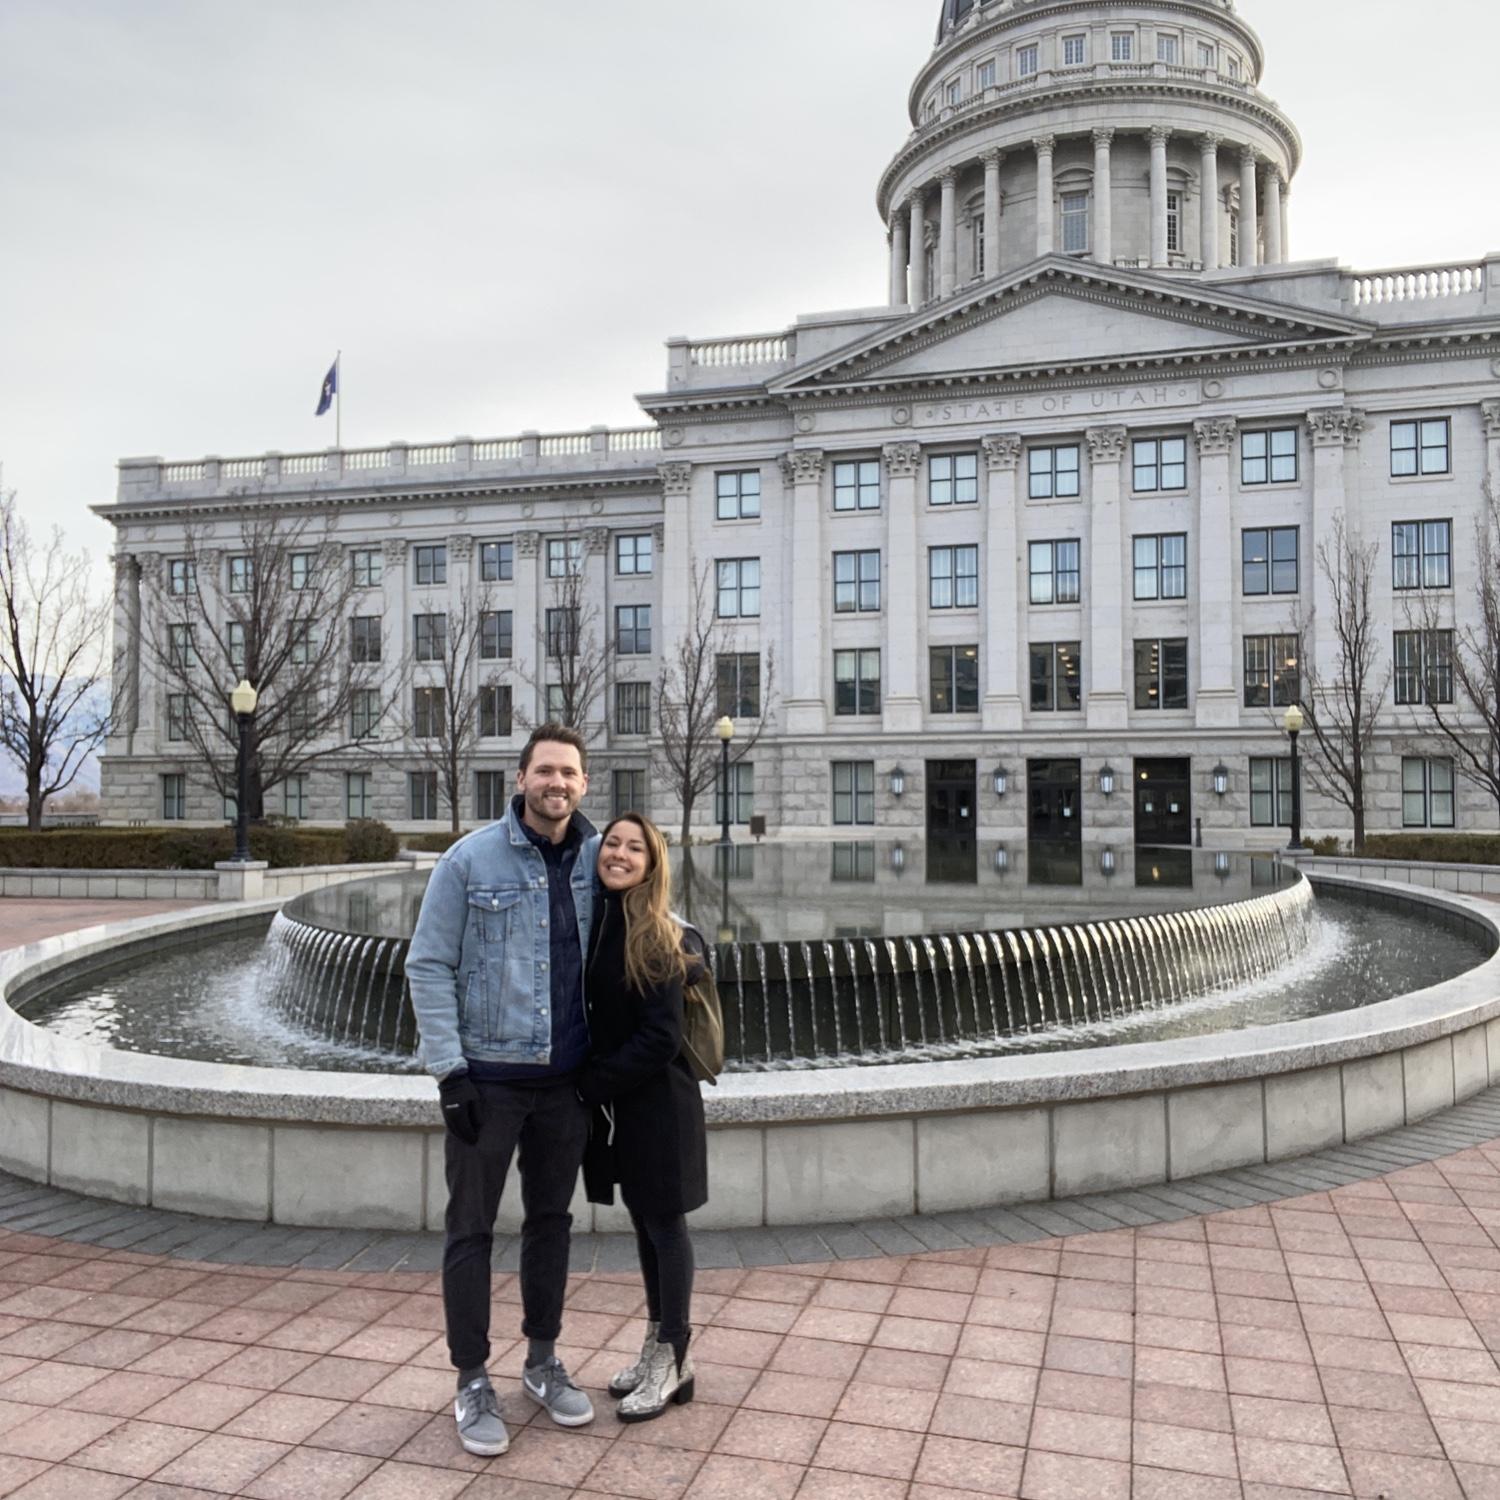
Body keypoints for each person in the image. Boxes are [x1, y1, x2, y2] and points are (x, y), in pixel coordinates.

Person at [406, 723, 600, 1457]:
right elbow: (428, 966)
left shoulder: (594, 855)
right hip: (487, 1083)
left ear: (583, 784)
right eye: (545, 771)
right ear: (520, 779)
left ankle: (543, 1360)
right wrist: (449, 1070)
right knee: (471, 1231)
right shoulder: (468, 861)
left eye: (570, 773)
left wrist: (690, 941)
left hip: (566, 1086)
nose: (557, 783)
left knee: (551, 1224)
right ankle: (471, 1378)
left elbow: (645, 912)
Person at [576, 812, 708, 1422]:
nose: (620, 854)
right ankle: (659, 1345)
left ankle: (675, 1354)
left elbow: (660, 1038)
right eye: (612, 844)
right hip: (626, 1106)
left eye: (635, 848)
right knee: (646, 1225)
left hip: (659, 1105)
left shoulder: (657, 934)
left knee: (665, 1227)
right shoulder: (605, 919)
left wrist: (591, 1082)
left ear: (653, 866)